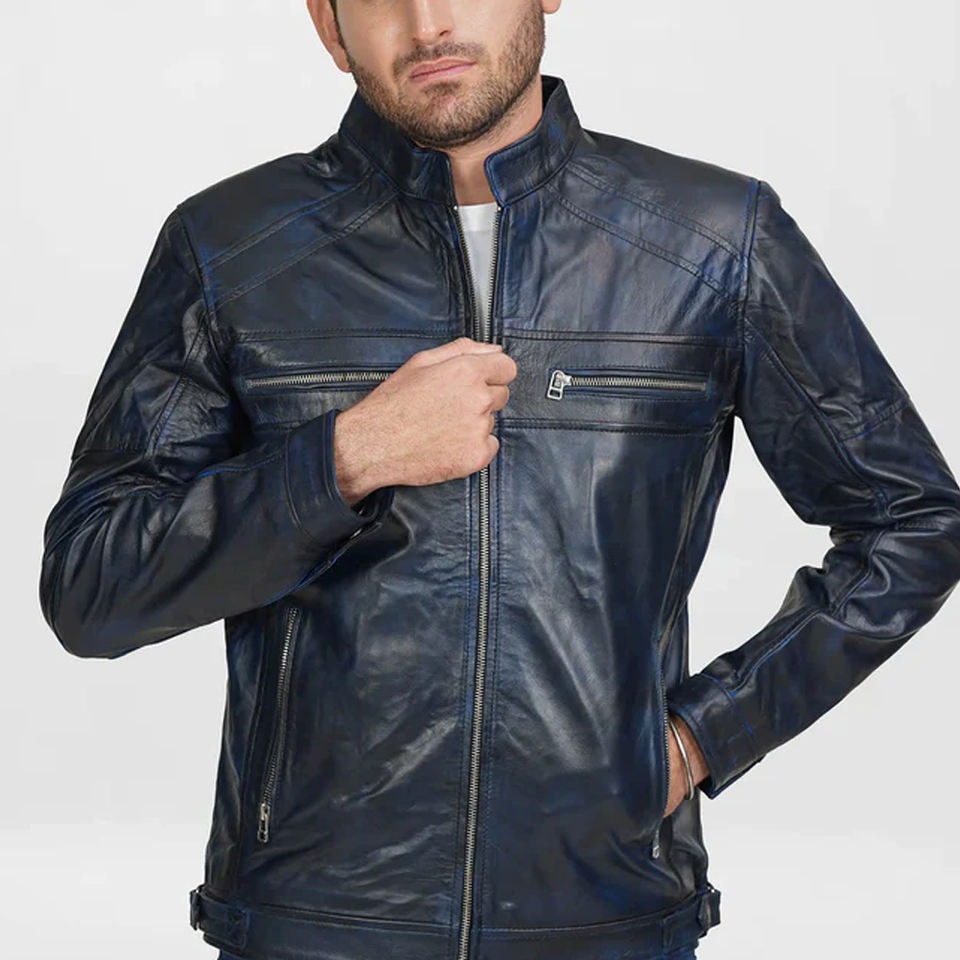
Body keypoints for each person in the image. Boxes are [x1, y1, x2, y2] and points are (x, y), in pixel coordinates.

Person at [38, 2, 960, 959]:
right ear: (328, 23)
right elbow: (91, 587)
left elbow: (913, 519)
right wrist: (345, 458)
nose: (429, 22)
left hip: (606, 919)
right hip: (314, 924)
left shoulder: (714, 241)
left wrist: (704, 736)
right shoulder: (229, 248)